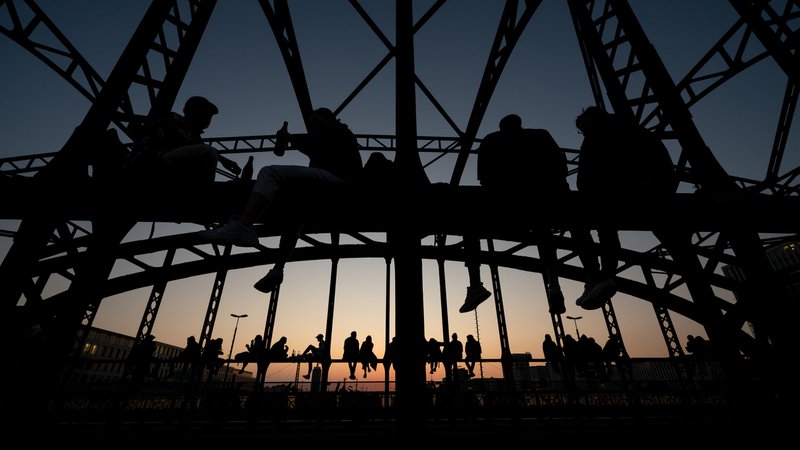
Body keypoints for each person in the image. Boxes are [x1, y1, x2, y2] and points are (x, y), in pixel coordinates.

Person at [197, 107, 363, 294]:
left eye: (316, 120)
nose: (313, 124)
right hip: (335, 184)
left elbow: (314, 144)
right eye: (311, 121)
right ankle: (278, 268)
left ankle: (244, 224)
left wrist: (289, 137)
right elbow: (313, 147)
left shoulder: (338, 133)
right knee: (294, 216)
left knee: (270, 172)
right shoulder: (331, 139)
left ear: (329, 119)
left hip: (341, 181)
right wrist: (290, 138)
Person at [460, 114, 569, 315]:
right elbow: (561, 166)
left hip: (504, 205)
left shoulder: (491, 140)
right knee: (544, 235)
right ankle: (555, 286)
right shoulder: (541, 135)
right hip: (543, 201)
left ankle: (475, 284)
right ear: (520, 124)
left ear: (502, 128)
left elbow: (483, 177)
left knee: (469, 223)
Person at [572, 106, 678, 310]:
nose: (584, 133)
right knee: (605, 224)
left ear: (590, 120)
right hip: (656, 191)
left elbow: (584, 178)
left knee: (581, 221)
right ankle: (604, 276)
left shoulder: (596, 136)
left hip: (625, 193)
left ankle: (596, 277)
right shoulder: (632, 128)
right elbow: (660, 158)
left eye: (583, 129)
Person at [126, 95, 241, 184]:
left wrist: (223, 159)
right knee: (207, 154)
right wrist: (219, 158)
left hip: (159, 166)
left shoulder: (192, 133)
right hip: (147, 166)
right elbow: (182, 143)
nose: (208, 117)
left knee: (205, 154)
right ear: (192, 111)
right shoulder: (172, 121)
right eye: (206, 112)